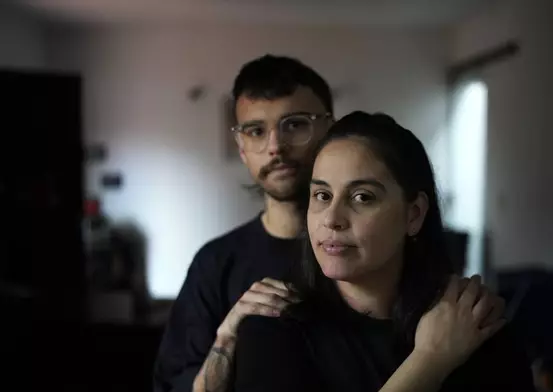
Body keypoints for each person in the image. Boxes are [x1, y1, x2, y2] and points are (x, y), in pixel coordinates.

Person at [153, 56, 507, 392]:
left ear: (328, 128)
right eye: (256, 131)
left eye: (295, 125)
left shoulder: (460, 320)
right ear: (241, 146)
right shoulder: (221, 271)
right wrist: (229, 337)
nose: (276, 146)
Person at [232, 112, 536, 391]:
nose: (332, 219)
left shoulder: (474, 329)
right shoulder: (273, 331)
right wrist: (429, 361)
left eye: (362, 197)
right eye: (322, 195)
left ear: (414, 214)